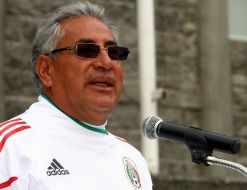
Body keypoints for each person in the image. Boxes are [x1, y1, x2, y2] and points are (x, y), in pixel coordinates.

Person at [0, 2, 153, 190]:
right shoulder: (10, 148)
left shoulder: (132, 158)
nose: (105, 63)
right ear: (46, 70)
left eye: (113, 52)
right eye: (87, 50)